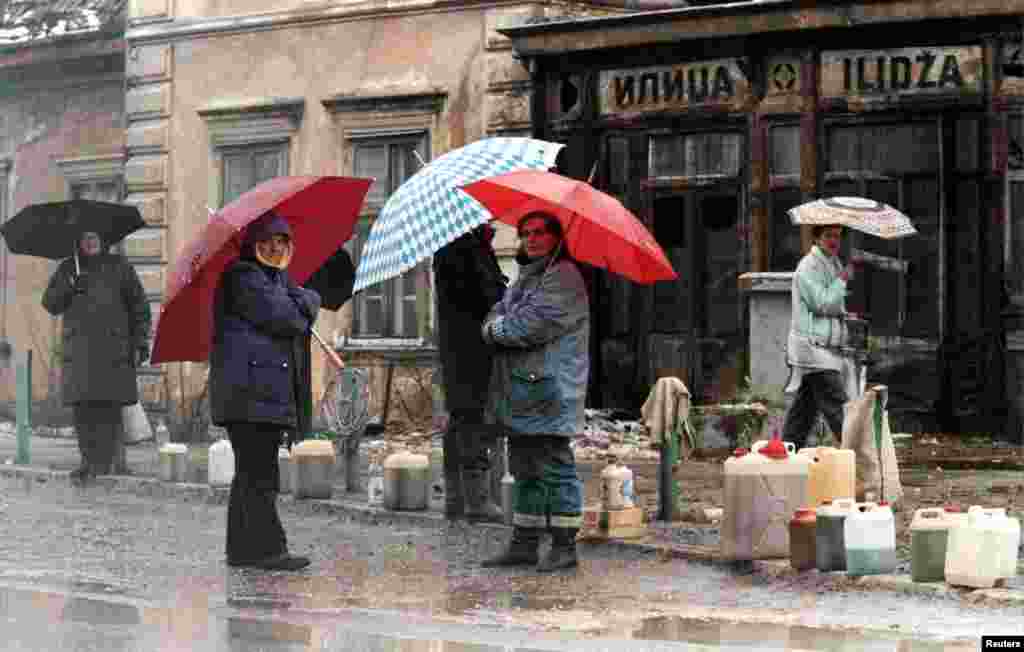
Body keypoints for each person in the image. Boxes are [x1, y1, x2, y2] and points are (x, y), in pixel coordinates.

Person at [209, 212, 320, 571]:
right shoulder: (243, 277)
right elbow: (283, 317)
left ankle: (243, 550)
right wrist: (308, 301)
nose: (275, 248)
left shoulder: (277, 281)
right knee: (258, 475)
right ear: (254, 245)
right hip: (249, 395)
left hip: (261, 395)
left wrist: (300, 299)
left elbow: (292, 309)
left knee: (253, 473)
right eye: (268, 242)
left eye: (282, 242)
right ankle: (266, 550)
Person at [480, 211, 589, 572]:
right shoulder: (528, 279)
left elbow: (525, 326)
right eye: (525, 233)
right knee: (525, 467)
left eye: (540, 232)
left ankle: (564, 544)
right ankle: (525, 542)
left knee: (555, 466)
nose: (531, 239)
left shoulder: (563, 277)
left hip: (549, 389)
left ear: (557, 237)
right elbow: (495, 315)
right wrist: (498, 324)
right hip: (524, 390)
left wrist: (497, 329)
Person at [42, 230, 151, 482]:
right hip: (80, 353)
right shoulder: (69, 268)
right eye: (85, 238)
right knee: (83, 411)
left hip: (113, 351)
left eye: (95, 238)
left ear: (103, 241)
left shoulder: (120, 267)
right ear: (79, 242)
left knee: (110, 409)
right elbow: (50, 303)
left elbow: (140, 307)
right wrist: (70, 287)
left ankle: (111, 463)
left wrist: (140, 342)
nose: (90, 242)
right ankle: (88, 463)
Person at [433, 223, 507, 521]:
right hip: (470, 348)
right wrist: (503, 291)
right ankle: (476, 500)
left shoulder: (464, 244)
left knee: (461, 417)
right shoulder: (462, 246)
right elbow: (483, 294)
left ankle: (457, 498)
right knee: (472, 417)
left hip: (460, 348)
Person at [781, 224, 861, 449]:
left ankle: (787, 454)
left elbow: (831, 305)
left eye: (837, 236)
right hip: (812, 349)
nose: (834, 240)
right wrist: (843, 279)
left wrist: (844, 314)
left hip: (824, 348)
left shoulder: (831, 263)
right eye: (828, 235)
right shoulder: (808, 266)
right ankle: (858, 455)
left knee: (803, 411)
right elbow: (822, 303)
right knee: (837, 404)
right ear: (817, 238)